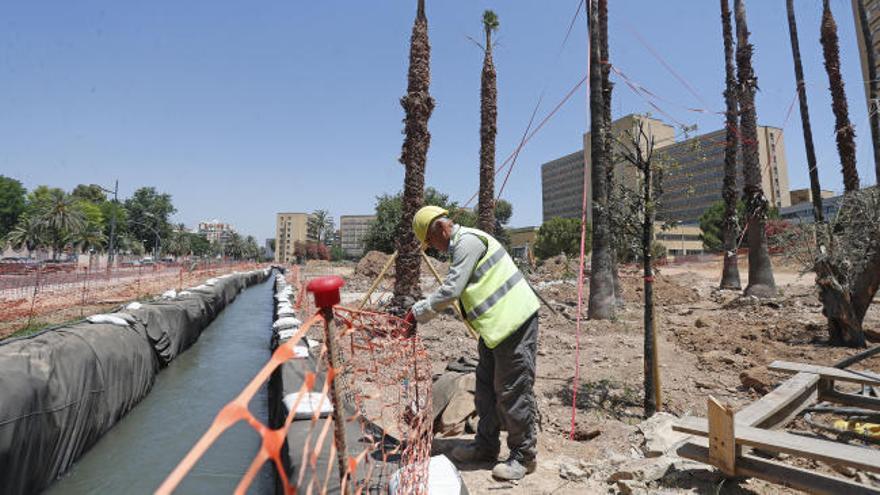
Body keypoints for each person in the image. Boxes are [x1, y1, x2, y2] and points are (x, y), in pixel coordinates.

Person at [406, 205, 540, 481]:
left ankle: (523, 456)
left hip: (514, 322)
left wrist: (418, 312)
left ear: (441, 228)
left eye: (431, 242)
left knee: (513, 389)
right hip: (495, 328)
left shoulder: (467, 242)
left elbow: (452, 289)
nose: (434, 248)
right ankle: (485, 446)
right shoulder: (461, 244)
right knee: (485, 389)